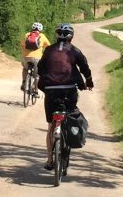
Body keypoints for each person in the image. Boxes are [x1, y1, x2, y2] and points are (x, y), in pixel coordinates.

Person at [37, 23, 93, 168]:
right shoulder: (74, 50)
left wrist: (47, 79)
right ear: (71, 37)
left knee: (51, 125)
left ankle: (50, 160)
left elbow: (40, 68)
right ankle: (67, 136)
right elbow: (84, 67)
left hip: (51, 91)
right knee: (70, 113)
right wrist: (88, 81)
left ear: (57, 36)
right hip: (69, 91)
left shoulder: (49, 50)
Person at [20, 21, 50, 91]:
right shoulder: (42, 36)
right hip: (37, 58)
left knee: (25, 68)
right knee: (38, 75)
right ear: (41, 29)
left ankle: (24, 83)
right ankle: (35, 89)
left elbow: (22, 44)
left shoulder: (27, 35)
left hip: (25, 57)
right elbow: (49, 47)